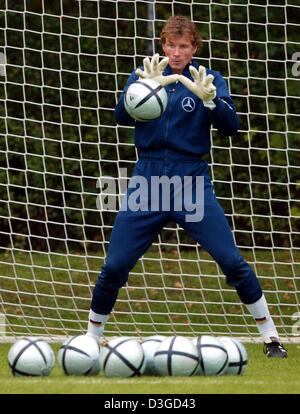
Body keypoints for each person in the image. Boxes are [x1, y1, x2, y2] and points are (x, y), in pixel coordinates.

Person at [87, 15, 287, 358]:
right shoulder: (147, 72)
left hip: (190, 182)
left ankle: (271, 337)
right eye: (170, 45)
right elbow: (120, 116)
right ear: (163, 45)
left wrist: (211, 99)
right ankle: (90, 339)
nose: (176, 53)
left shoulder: (208, 78)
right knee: (115, 265)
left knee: (230, 259)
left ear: (194, 48)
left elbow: (231, 126)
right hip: (148, 181)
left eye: (183, 46)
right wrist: (144, 88)